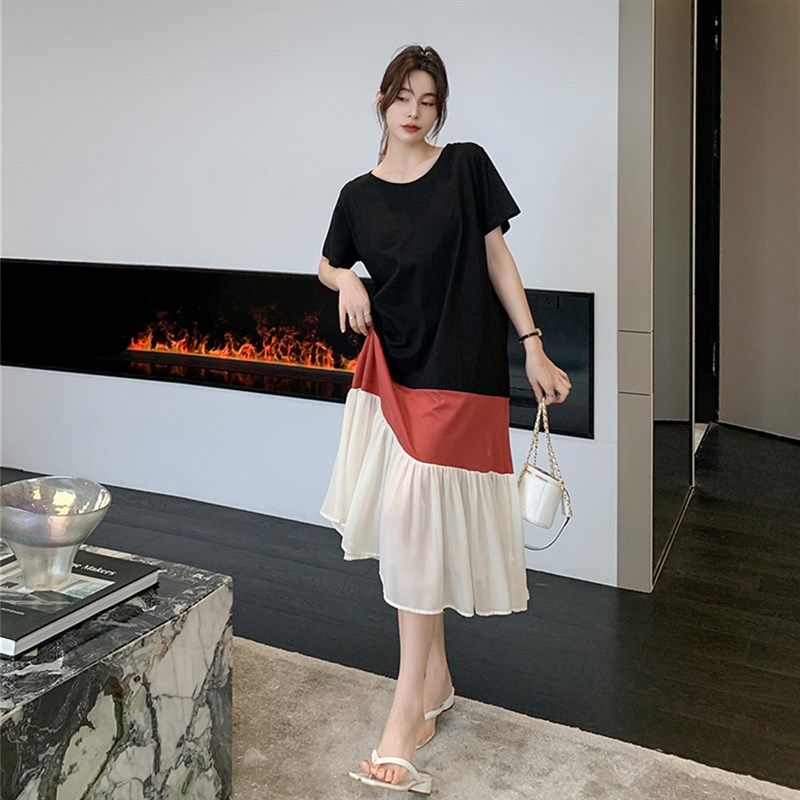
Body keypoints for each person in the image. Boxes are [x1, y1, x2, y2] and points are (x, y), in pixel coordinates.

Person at [317, 44, 572, 794]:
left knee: (413, 523)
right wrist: (345, 279)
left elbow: (496, 257)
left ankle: (406, 714)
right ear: (382, 100)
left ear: (440, 109)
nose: (415, 111)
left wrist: (532, 344)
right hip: (391, 367)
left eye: (429, 100)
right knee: (408, 525)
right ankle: (433, 683)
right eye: (404, 96)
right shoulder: (357, 195)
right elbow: (326, 260)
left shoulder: (465, 166)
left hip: (458, 369)